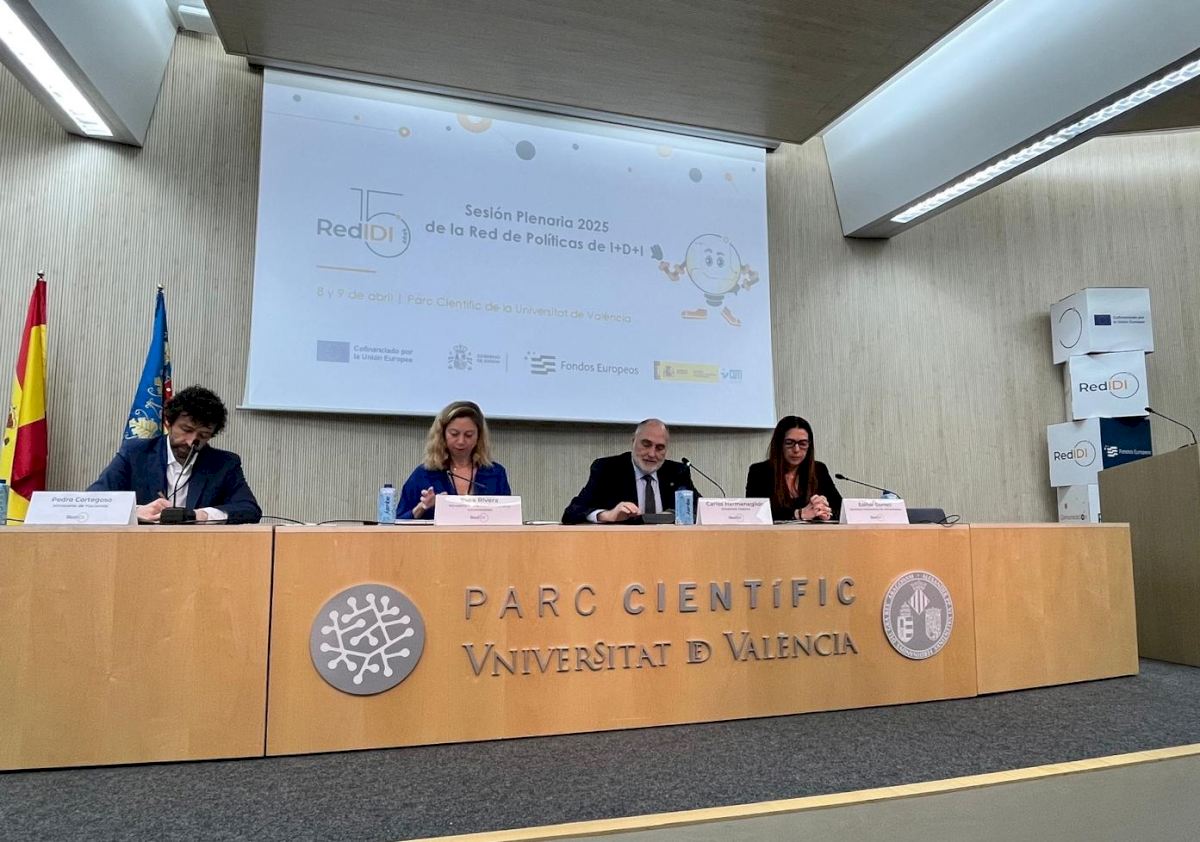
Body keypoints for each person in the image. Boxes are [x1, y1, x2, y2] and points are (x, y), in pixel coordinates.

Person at [88, 385, 262, 524]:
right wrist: (136, 511)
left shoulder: (224, 464)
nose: (191, 441)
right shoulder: (136, 453)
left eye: (203, 435)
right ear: (168, 422)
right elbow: (93, 502)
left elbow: (249, 509)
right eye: (186, 430)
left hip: (199, 549)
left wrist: (200, 515)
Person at [562, 418, 698, 524]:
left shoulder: (677, 472)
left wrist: (672, 514)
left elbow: (700, 509)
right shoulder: (608, 469)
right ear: (633, 442)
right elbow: (571, 513)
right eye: (646, 445)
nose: (652, 454)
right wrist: (608, 515)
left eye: (660, 448)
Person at [398, 400, 511, 519]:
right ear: (442, 435)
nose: (461, 441)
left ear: (479, 436)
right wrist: (422, 507)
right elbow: (398, 522)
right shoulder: (424, 475)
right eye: (454, 434)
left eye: (468, 435)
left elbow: (509, 518)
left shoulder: (495, 474)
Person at [745, 415, 841, 522]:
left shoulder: (819, 470)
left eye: (803, 443)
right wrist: (799, 514)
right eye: (789, 443)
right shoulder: (759, 472)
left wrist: (825, 513)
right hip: (775, 533)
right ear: (779, 444)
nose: (796, 449)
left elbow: (840, 510)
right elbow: (756, 513)